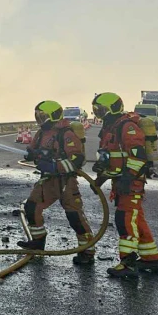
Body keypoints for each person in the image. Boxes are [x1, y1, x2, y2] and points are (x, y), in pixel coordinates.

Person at [92, 92, 158, 280]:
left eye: (101, 110)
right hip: (122, 181)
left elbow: (138, 156)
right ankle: (150, 259)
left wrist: (128, 178)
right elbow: (112, 158)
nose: (98, 113)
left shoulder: (127, 126)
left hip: (131, 182)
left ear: (113, 108)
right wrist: (100, 177)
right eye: (96, 110)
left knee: (125, 218)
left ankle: (128, 263)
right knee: (136, 218)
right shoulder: (110, 128)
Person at [17, 100, 95, 265]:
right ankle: (38, 242)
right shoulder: (40, 133)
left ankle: (87, 251)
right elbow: (34, 149)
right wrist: (32, 154)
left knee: (74, 217)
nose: (39, 119)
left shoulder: (66, 134)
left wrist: (54, 165)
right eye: (38, 116)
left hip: (66, 181)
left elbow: (77, 159)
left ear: (53, 116)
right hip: (48, 180)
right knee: (31, 207)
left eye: (42, 116)